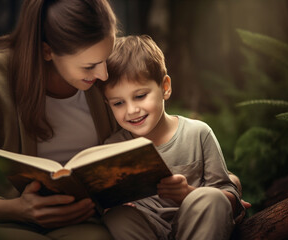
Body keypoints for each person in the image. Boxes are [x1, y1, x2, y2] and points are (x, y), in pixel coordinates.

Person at [0, 0, 118, 239]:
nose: (103, 74)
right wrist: (20, 210)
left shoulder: (115, 70)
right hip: (5, 222)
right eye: (89, 67)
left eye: (106, 57)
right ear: (47, 51)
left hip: (84, 222)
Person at [98, 35, 247, 240]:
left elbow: (229, 197)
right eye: (118, 103)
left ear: (165, 87)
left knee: (211, 198)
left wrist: (188, 192)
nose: (131, 110)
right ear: (108, 104)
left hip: (196, 226)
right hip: (145, 228)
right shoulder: (113, 147)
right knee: (117, 217)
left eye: (140, 96)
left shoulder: (198, 133)